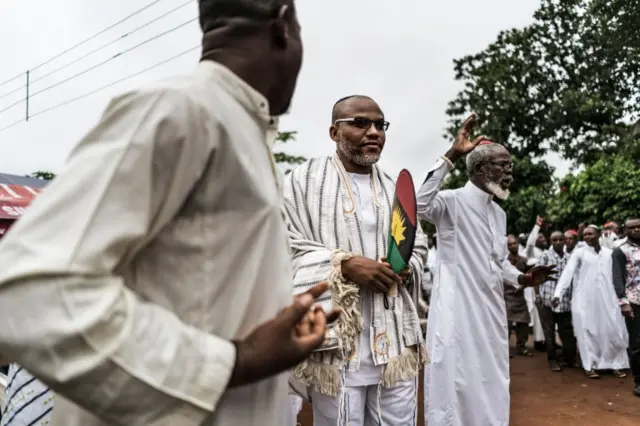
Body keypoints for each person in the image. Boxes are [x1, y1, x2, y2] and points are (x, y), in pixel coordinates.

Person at [0, 1, 340, 425]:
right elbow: (29, 292)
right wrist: (233, 362)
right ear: (283, 26)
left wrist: (270, 318)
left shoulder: (242, 131)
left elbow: (196, 292)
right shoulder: (182, 110)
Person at [284, 95, 428, 425]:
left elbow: (417, 246)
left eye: (380, 125)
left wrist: (405, 267)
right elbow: (283, 243)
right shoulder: (303, 181)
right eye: (361, 123)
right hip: (337, 344)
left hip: (393, 341)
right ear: (335, 132)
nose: (374, 131)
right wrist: (343, 264)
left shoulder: (394, 187)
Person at [417, 113, 556, 426]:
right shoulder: (451, 202)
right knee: (455, 379)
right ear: (479, 168)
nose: (509, 171)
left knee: (491, 378)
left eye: (510, 165)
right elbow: (418, 205)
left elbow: (498, 262)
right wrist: (453, 153)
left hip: (491, 312)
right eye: (502, 164)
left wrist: (524, 278)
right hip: (457, 310)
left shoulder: (499, 213)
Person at [553, 225, 629, 379]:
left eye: (590, 234)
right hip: (584, 299)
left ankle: (615, 364)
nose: (587, 237)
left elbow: (618, 275)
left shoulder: (609, 254)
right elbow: (567, 274)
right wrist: (557, 295)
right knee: (587, 332)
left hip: (608, 299)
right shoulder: (579, 253)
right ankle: (590, 366)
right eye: (585, 235)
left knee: (610, 330)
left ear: (599, 234)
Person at [536, 231, 578, 372]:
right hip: (546, 300)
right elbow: (536, 276)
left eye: (561, 239)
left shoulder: (569, 258)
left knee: (567, 331)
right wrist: (537, 295)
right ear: (550, 241)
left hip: (564, 301)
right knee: (549, 332)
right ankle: (552, 360)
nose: (558, 242)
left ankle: (569, 358)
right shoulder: (545, 256)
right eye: (555, 240)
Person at [612, 217, 640, 396]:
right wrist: (623, 302)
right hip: (634, 302)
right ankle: (639, 381)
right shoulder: (620, 251)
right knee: (637, 343)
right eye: (632, 227)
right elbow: (617, 278)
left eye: (639, 226)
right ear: (625, 230)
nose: (636, 229)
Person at [504, 235, 531, 357]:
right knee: (506, 326)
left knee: (524, 324)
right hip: (507, 297)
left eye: (514, 243)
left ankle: (521, 347)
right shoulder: (504, 261)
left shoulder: (524, 260)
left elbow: (530, 277)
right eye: (510, 244)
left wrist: (523, 286)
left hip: (520, 297)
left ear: (518, 244)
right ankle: (504, 349)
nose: (513, 246)